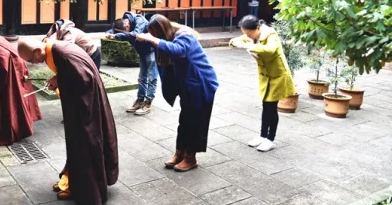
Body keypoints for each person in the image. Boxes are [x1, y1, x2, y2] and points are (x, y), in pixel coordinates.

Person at [17, 38, 118, 205]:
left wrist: (60, 81)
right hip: (83, 105)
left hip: (86, 109)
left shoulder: (62, 54)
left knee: (84, 145)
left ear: (38, 51)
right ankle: (72, 180)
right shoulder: (57, 50)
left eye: (32, 59)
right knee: (76, 145)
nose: (33, 63)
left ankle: (90, 192)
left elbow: (84, 80)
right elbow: (74, 72)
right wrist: (58, 78)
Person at [136, 15, 218, 172]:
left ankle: (190, 157)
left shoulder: (184, 36)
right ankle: (179, 153)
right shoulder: (169, 36)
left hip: (201, 84)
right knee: (184, 120)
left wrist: (153, 40)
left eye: (156, 35)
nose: (155, 38)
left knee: (195, 123)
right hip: (187, 85)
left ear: (162, 31)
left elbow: (179, 50)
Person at [229, 15, 296, 152]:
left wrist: (250, 45)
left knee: (271, 108)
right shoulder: (251, 35)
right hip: (266, 77)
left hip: (278, 76)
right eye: (245, 33)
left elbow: (271, 49)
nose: (247, 36)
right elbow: (233, 41)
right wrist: (238, 42)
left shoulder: (270, 34)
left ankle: (270, 139)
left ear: (258, 28)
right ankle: (262, 136)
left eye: (249, 33)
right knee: (266, 107)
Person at [105, 11, 157, 115]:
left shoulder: (140, 20)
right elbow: (114, 30)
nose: (126, 33)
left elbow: (134, 35)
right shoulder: (123, 23)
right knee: (142, 77)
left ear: (127, 25)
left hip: (151, 50)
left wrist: (116, 36)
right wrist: (108, 33)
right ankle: (140, 100)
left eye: (125, 31)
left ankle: (148, 102)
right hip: (142, 51)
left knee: (152, 78)